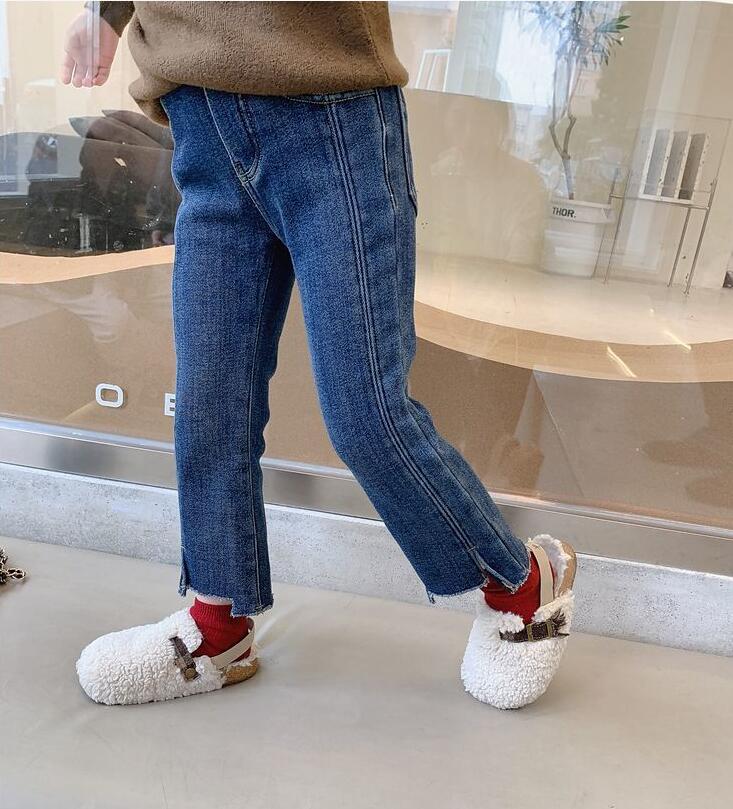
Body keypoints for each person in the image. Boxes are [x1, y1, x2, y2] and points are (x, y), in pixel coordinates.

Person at [63, 1, 577, 710]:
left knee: (367, 414)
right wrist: (107, 11)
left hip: (328, 118)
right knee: (210, 407)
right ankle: (217, 627)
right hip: (199, 126)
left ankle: (522, 583)